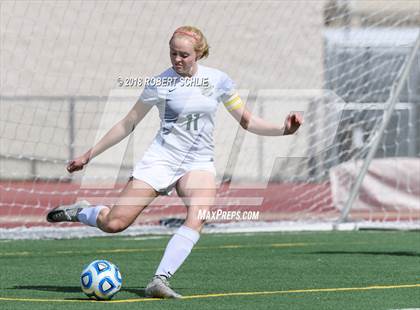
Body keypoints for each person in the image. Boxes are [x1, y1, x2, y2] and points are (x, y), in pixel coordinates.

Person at [47, 25, 303, 299]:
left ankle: (159, 280)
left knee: (199, 214)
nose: (177, 60)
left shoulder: (218, 80)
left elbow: (248, 121)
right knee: (114, 224)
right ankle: (82, 211)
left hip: (198, 163)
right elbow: (128, 123)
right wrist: (89, 154)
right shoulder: (160, 84)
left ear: (199, 53)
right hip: (161, 160)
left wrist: (282, 130)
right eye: (173, 54)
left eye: (184, 55)